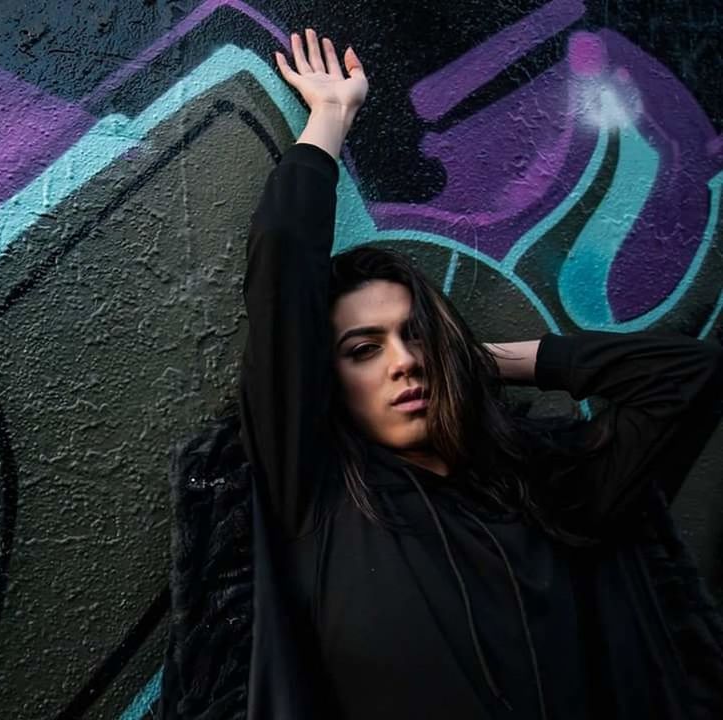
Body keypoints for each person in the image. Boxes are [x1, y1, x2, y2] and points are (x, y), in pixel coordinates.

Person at [236, 28, 723, 720]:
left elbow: (689, 376)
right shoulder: (318, 494)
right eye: (363, 350)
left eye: (415, 338)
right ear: (328, 380)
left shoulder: (550, 495)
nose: (403, 360)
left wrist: (475, 358)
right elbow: (284, 258)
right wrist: (332, 117)